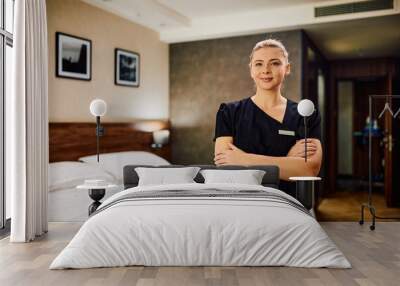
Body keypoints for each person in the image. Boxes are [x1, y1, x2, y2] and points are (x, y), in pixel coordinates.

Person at [213, 38, 322, 197]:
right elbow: (226, 168)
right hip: (240, 200)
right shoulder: (229, 113)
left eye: (275, 63)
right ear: (251, 70)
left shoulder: (305, 115)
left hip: (289, 201)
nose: (266, 70)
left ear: (287, 68)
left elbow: (308, 170)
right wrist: (287, 160)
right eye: (259, 64)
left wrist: (244, 159)